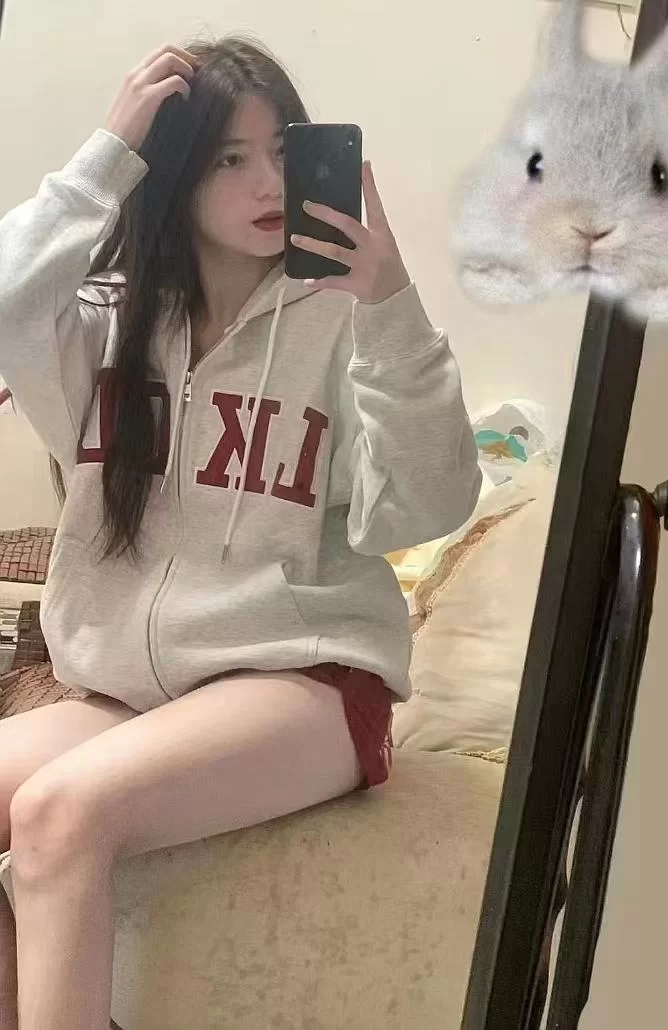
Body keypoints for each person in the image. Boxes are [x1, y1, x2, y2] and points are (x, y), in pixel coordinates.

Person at [0, 35, 481, 1030]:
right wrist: (107, 151)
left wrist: (391, 304)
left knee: (60, 810)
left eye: (283, 152)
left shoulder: (345, 321)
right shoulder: (106, 326)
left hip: (306, 681)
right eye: (229, 157)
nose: (268, 181)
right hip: (133, 691)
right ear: (172, 176)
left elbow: (427, 505)